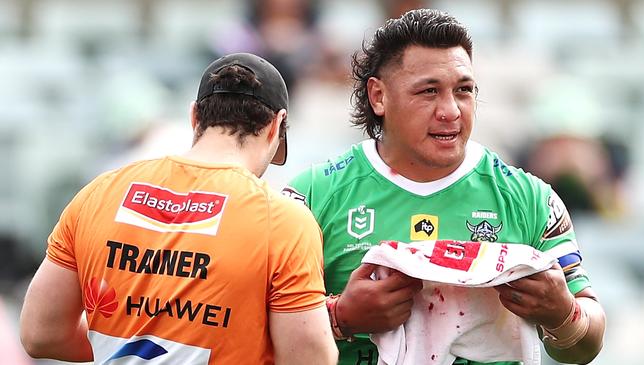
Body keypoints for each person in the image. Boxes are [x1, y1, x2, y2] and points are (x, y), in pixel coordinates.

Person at [283, 9, 605, 365]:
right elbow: (254, 327)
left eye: (464, 90)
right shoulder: (310, 197)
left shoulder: (531, 199)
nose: (451, 111)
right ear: (379, 97)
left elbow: (586, 344)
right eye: (429, 91)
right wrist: (341, 318)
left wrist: (563, 315)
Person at [20, 52, 338, 365]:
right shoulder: (284, 221)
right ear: (276, 125)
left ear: (194, 117)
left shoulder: (100, 191)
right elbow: (310, 358)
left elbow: (41, 333)